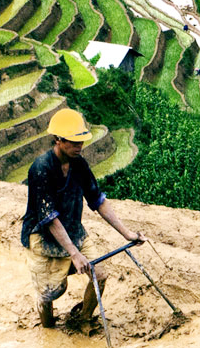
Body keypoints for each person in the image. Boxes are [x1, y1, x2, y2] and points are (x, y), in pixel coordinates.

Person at [21, 109, 144, 329]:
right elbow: (49, 218)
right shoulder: (41, 169)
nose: (80, 147)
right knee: (50, 293)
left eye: (81, 142)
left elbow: (98, 201)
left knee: (101, 275)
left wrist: (128, 234)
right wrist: (74, 254)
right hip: (43, 237)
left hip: (73, 231)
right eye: (74, 142)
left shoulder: (79, 164)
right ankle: (48, 330)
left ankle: (84, 318)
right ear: (58, 140)